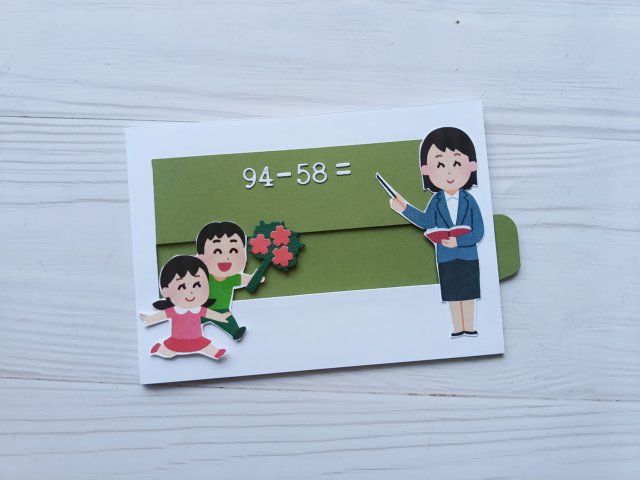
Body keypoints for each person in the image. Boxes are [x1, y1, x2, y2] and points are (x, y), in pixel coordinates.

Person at [390, 127, 484, 338]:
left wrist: (459, 242)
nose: (449, 172)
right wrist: (404, 208)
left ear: (471, 166)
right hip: (445, 257)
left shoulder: (469, 200)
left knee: (469, 292)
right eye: (440, 165)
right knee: (452, 293)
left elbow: (478, 231)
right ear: (426, 170)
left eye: (456, 164)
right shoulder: (437, 201)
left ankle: (469, 326)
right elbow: (426, 221)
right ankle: (458, 328)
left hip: (468, 256)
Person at [139, 255, 231, 359]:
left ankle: (215, 352)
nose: (190, 292)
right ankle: (159, 349)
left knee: (205, 346)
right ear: (166, 291)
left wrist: (221, 317)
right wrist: (149, 319)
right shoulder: (174, 311)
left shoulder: (198, 309)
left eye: (197, 285)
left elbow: (210, 314)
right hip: (177, 340)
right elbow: (161, 316)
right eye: (182, 287)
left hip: (197, 338)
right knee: (170, 352)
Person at [196, 221, 263, 341]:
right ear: (200, 256)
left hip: (223, 310)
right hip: (203, 309)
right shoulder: (204, 276)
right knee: (192, 321)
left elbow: (244, 279)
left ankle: (235, 332)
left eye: (233, 250)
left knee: (229, 321)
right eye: (217, 251)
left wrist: (256, 278)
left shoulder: (232, 279)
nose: (226, 257)